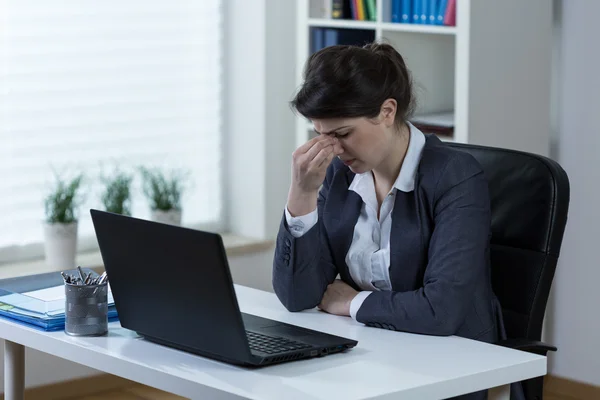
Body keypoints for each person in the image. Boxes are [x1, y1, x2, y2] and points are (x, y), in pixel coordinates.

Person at [272, 42, 515, 400]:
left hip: (445, 366)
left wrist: (351, 303)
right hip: (370, 356)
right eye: (321, 135)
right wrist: (302, 195)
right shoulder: (340, 176)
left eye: (342, 134)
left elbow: (441, 309)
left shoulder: (455, 177)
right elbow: (297, 295)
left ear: (387, 111)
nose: (333, 150)